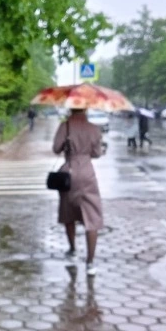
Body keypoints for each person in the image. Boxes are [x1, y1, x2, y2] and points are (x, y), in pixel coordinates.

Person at [52, 107, 104, 276]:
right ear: (86, 109)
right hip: (88, 174)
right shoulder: (94, 128)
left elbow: (56, 149)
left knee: (68, 213)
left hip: (69, 174)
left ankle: (73, 249)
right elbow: (97, 153)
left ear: (70, 108)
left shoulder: (65, 126)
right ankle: (90, 262)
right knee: (92, 217)